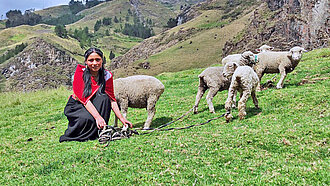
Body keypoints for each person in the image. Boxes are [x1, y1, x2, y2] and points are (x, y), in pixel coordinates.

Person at [59, 48, 132, 142]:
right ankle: (78, 134)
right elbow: (84, 99)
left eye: (98, 60)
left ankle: (99, 131)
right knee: (86, 119)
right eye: (91, 60)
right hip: (78, 105)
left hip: (94, 102)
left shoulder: (107, 75)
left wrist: (122, 119)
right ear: (86, 61)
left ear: (102, 60)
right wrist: (98, 117)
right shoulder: (80, 73)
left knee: (105, 97)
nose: (94, 63)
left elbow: (112, 99)